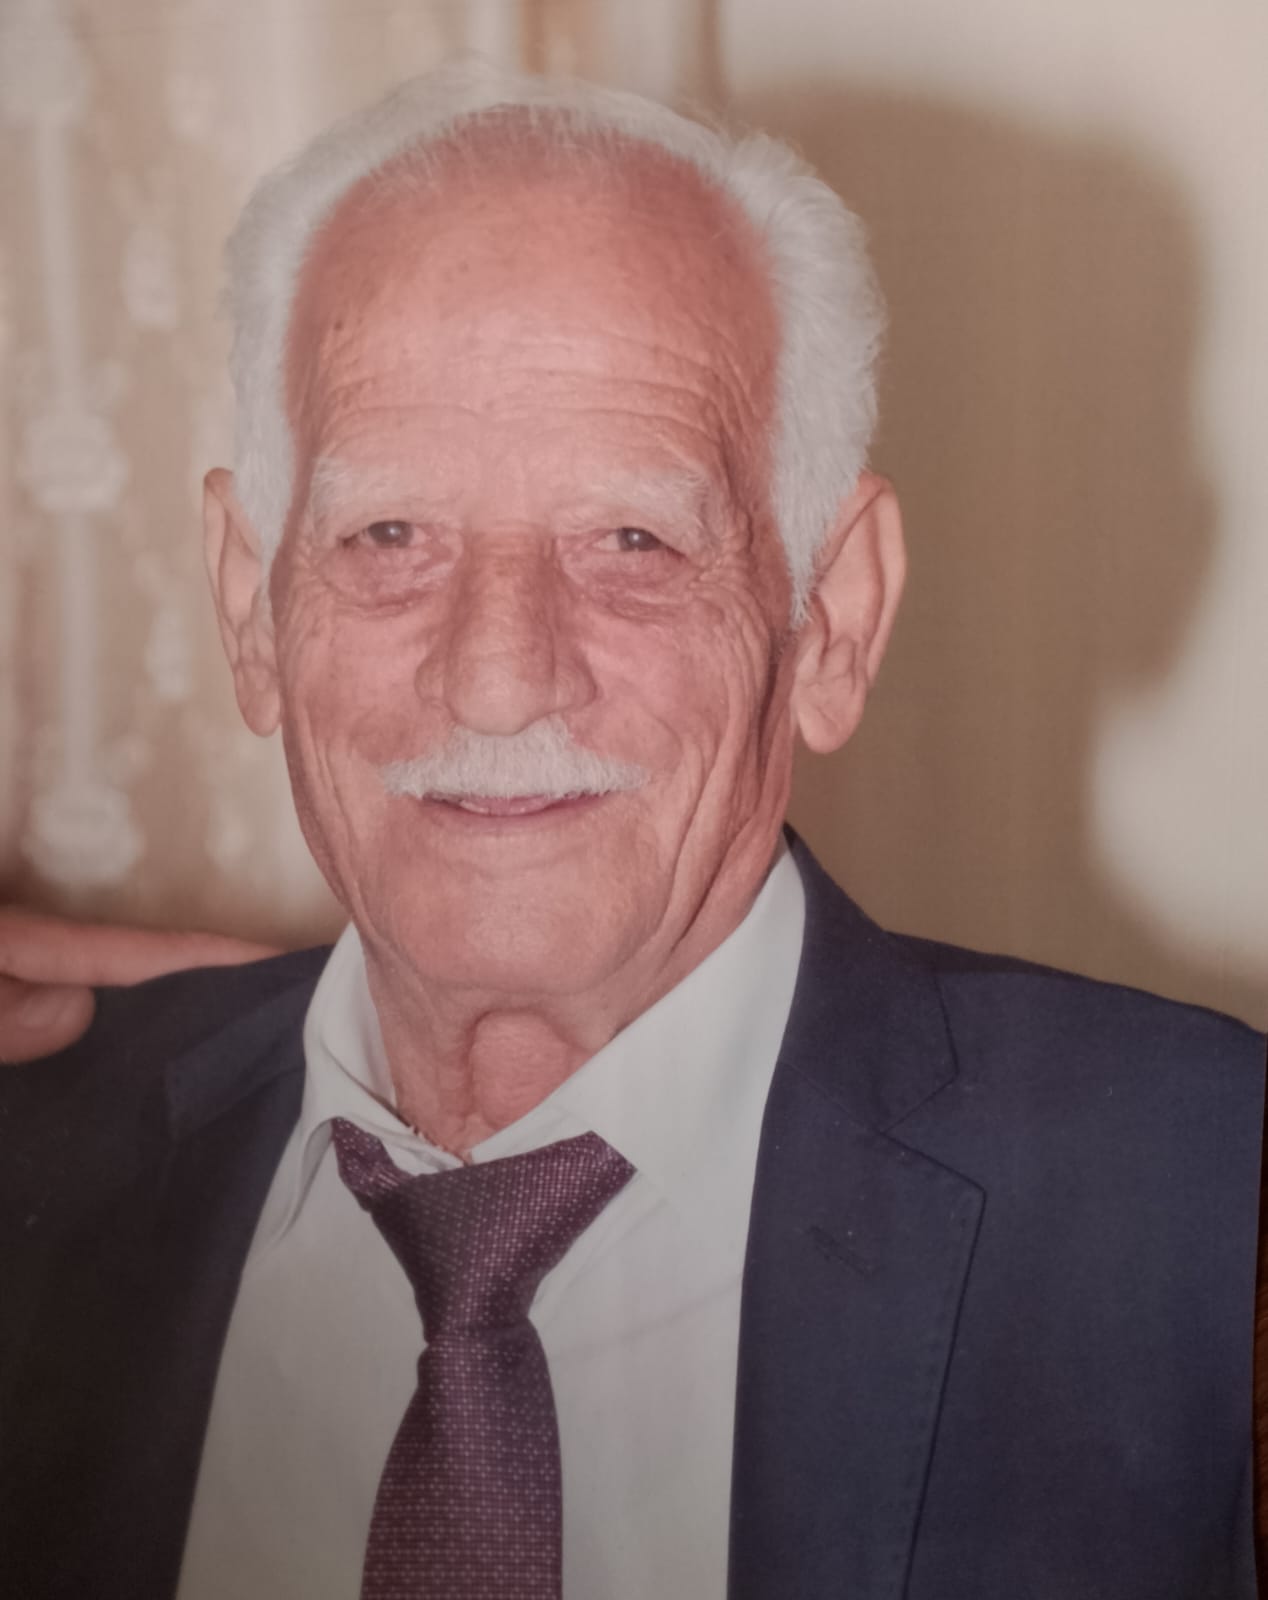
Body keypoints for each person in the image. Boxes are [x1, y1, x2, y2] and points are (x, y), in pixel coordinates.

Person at [0, 61, 1262, 1600]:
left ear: (832, 618)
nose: (498, 674)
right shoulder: (33, 1155)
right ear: (249, 606)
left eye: (632, 541)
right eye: (389, 535)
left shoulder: (1212, 1207)